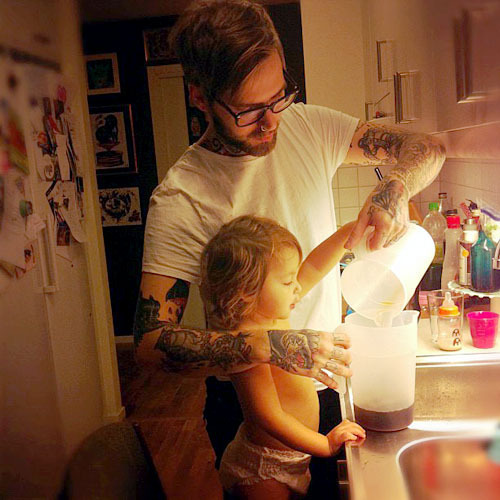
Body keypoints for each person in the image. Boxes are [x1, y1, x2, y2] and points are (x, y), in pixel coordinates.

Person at [134, 0, 445, 497]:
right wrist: (265, 346)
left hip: (331, 387)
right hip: (250, 411)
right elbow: (150, 344)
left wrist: (395, 187)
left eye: (278, 97)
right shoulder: (181, 197)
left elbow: (427, 147)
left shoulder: (308, 125)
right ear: (199, 97)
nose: (270, 122)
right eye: (247, 110)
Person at [200, 214, 366, 498]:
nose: (297, 287)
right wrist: (325, 445)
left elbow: (313, 267)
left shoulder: (270, 313)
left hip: (295, 458)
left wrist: (351, 232)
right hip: (264, 467)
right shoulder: (246, 342)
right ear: (247, 290)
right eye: (288, 281)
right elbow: (267, 415)